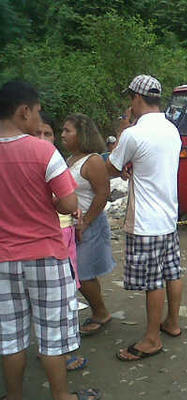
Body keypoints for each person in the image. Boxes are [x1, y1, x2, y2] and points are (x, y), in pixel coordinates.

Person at [0, 80, 100, 400]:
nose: (38, 120)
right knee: (51, 335)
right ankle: (62, 396)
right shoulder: (43, 150)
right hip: (45, 255)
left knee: (11, 338)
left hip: (2, 259)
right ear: (24, 111)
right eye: (37, 113)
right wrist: (55, 202)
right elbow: (70, 204)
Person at [106, 74, 183, 362]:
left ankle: (151, 339)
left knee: (153, 282)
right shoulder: (172, 129)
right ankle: (172, 323)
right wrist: (132, 165)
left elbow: (111, 167)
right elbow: (151, 165)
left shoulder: (133, 133)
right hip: (168, 215)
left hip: (146, 221)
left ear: (137, 98)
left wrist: (122, 128)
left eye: (131, 98)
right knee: (172, 271)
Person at [33, 112, 87, 372]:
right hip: (50, 236)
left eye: (48, 134)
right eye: (38, 133)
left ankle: (53, 352)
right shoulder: (45, 160)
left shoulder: (57, 160)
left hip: (64, 232)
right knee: (58, 299)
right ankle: (59, 354)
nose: (44, 138)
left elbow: (70, 197)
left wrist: (73, 211)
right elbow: (65, 199)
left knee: (64, 296)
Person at [62, 113, 115, 336]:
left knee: (83, 272)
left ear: (81, 134)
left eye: (67, 130)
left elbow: (103, 193)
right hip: (75, 223)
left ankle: (101, 312)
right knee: (81, 271)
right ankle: (98, 310)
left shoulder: (92, 161)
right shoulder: (71, 159)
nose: (62, 134)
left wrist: (86, 222)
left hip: (90, 223)